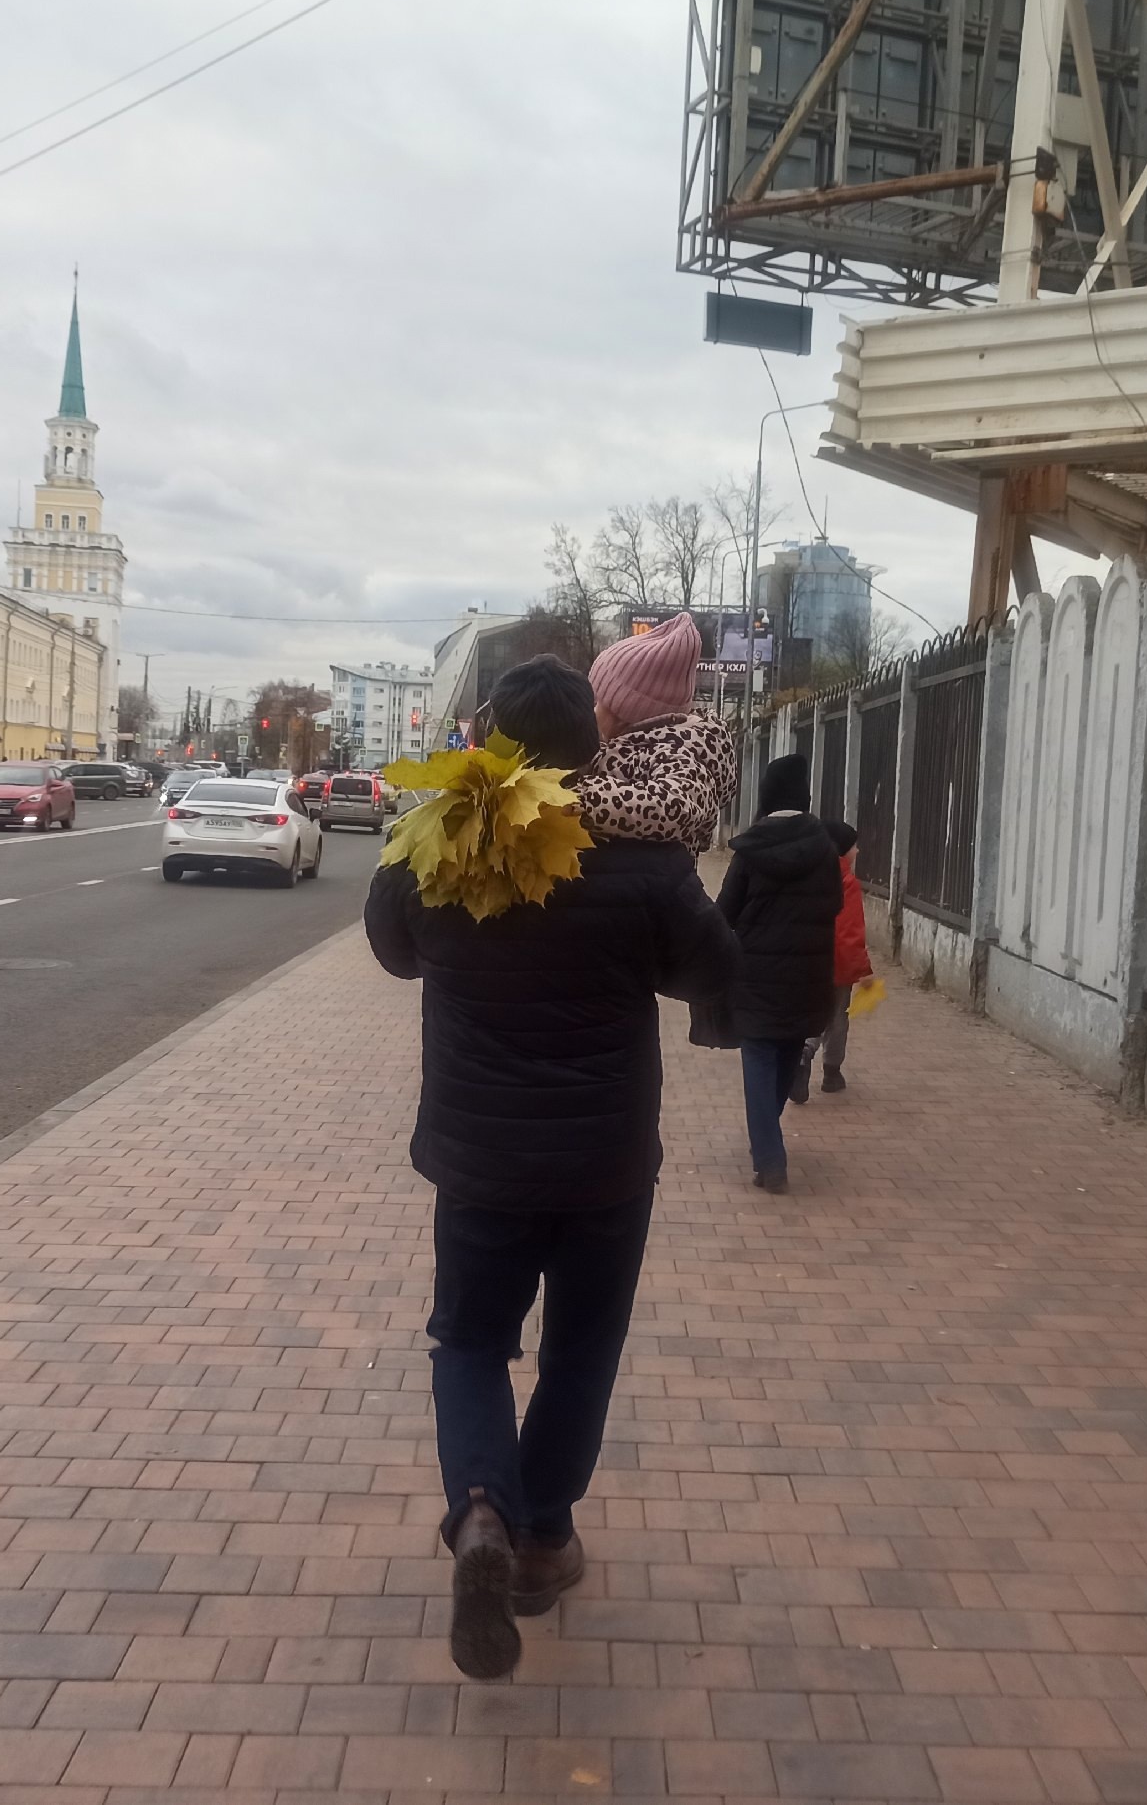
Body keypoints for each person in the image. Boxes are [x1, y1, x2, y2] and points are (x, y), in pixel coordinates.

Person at [365, 654, 738, 1681]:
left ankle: (482, 1509)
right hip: (605, 1160)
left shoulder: (435, 841)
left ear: (494, 737)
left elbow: (393, 949)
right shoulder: (646, 861)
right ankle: (541, 1538)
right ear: (595, 746)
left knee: (469, 1339)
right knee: (582, 1347)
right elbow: (711, 972)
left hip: (478, 1156)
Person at [714, 752, 842, 1193]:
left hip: (755, 977)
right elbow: (834, 908)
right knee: (787, 1054)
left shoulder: (751, 850)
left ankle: (769, 1158)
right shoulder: (824, 848)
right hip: (808, 977)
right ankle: (768, 1141)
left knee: (760, 1058)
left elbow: (724, 912)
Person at [576, 612, 736, 853]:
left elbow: (676, 805)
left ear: (626, 713)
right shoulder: (625, 746)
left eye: (598, 701)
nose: (591, 709)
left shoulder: (680, 752)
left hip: (649, 888)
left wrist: (582, 799)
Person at [817, 827, 870, 1094]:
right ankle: (832, 1072)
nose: (857, 851)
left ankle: (802, 1056)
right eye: (853, 846)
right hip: (838, 965)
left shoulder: (810, 876)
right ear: (842, 850)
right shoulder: (848, 882)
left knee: (812, 1012)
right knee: (838, 1016)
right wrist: (863, 970)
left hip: (811, 961)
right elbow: (850, 932)